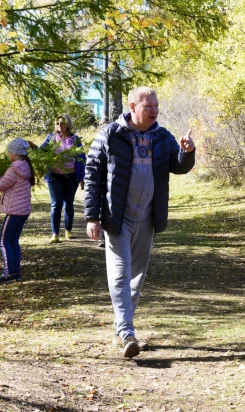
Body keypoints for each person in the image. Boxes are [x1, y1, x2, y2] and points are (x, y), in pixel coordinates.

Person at [84, 86, 196, 358]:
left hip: (148, 218)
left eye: (156, 106)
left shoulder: (161, 135)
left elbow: (177, 166)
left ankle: (120, 329)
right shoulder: (110, 133)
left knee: (137, 278)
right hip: (117, 218)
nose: (155, 111)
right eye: (149, 107)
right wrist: (92, 217)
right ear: (133, 107)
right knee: (120, 275)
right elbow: (92, 174)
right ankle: (127, 333)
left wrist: (187, 152)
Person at [0, 138, 36, 284]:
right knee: (13, 241)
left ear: (15, 153)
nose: (7, 153)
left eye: (9, 151)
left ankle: (8, 274)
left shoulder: (13, 169)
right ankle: (15, 272)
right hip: (23, 210)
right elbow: (6, 184)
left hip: (14, 211)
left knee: (4, 241)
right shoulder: (24, 166)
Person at [39, 114, 86, 243]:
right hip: (54, 175)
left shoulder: (75, 139)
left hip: (71, 176)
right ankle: (55, 234)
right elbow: (40, 151)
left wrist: (82, 177)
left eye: (62, 123)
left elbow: (82, 158)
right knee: (56, 204)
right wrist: (32, 149)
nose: (59, 125)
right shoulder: (51, 138)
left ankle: (68, 230)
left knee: (68, 204)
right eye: (57, 123)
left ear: (68, 124)